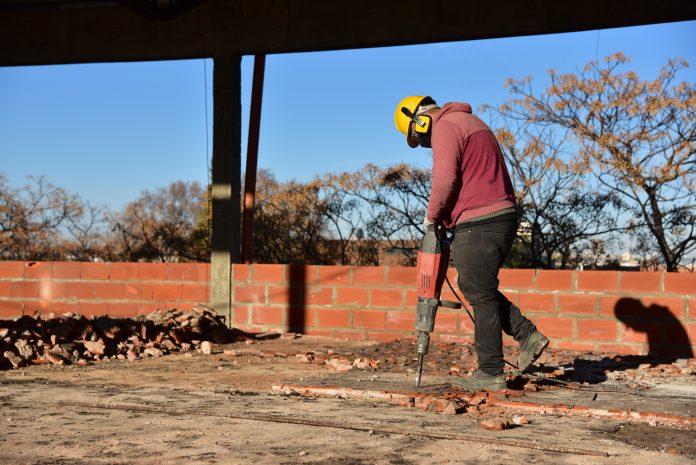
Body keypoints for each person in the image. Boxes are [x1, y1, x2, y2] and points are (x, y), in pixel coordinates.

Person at [394, 95, 549, 391]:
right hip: (499, 215)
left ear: (420, 120)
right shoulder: (470, 122)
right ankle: (526, 335)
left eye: (420, 138)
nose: (426, 144)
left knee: (478, 291)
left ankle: (491, 371)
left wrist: (431, 218)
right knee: (478, 287)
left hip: (480, 220)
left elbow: (445, 179)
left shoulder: (445, 126)